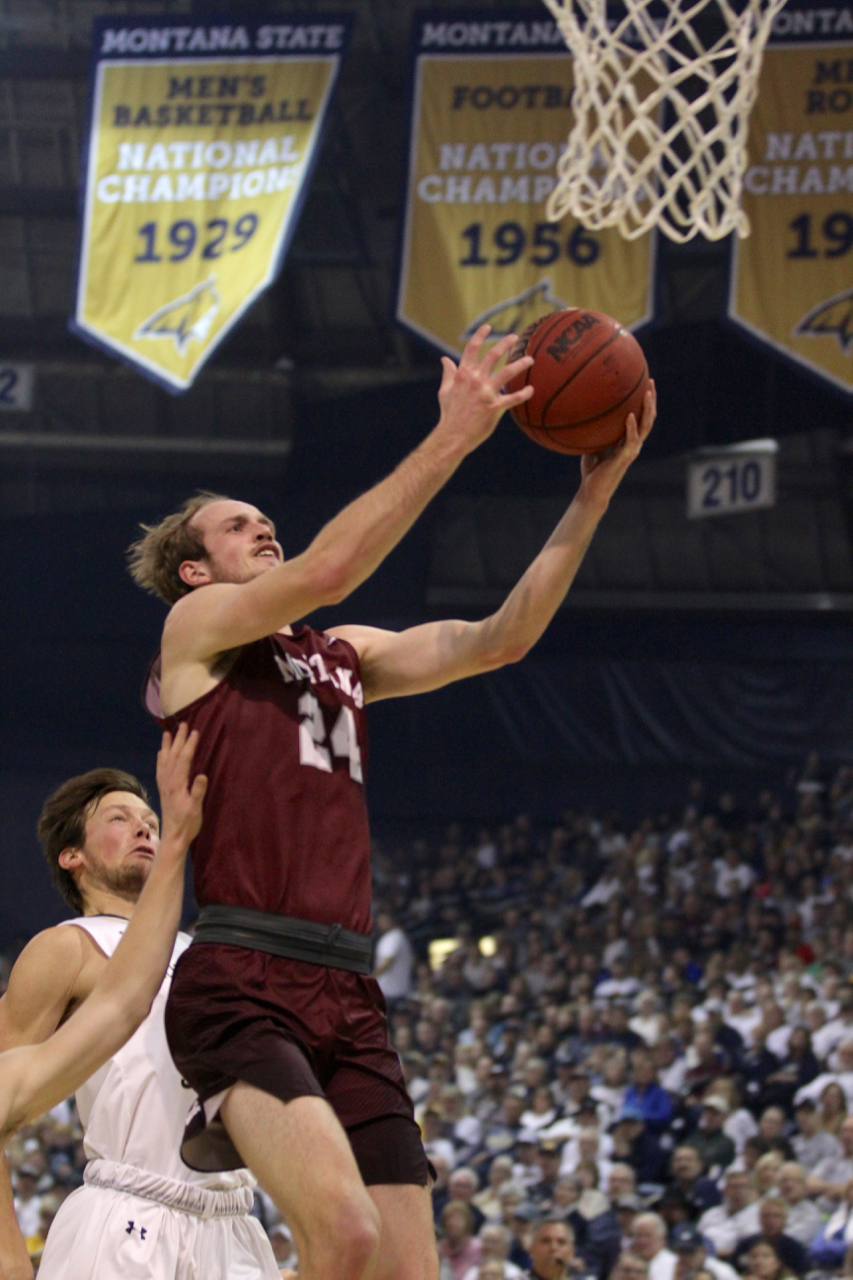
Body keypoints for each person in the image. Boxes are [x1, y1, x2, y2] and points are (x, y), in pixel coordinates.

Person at [129, 324, 657, 1280]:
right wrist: (453, 435)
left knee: (409, 1270)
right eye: (237, 527)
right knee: (344, 1235)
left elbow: (499, 639)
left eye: (264, 519)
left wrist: (594, 491)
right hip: (243, 972)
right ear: (196, 570)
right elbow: (329, 568)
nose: (263, 529)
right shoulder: (196, 628)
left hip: (349, 987)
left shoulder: (346, 654)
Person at [0, 730, 277, 1280]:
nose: (144, 827)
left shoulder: (205, 954)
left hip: (234, 1226)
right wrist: (8, 1257)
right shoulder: (67, 946)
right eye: (119, 818)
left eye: (150, 819)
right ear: (72, 855)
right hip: (128, 1216)